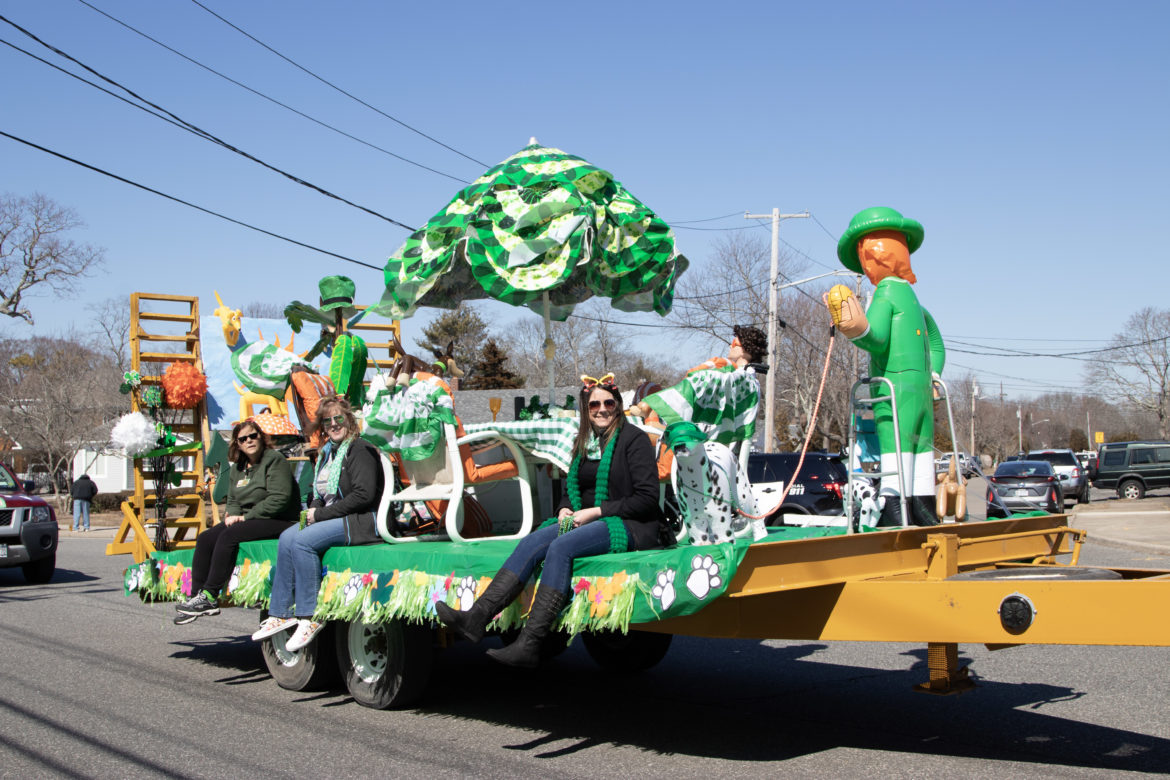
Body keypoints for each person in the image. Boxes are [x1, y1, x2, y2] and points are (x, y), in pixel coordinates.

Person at [436, 373, 666, 668]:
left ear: (619, 405)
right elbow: (575, 489)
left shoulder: (634, 439)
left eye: (609, 402)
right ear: (586, 409)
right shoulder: (585, 442)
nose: (602, 409)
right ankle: (477, 618)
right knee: (533, 540)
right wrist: (565, 509)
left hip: (630, 524)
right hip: (590, 520)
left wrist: (597, 511)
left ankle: (531, 642)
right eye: (594, 404)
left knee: (561, 547)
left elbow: (646, 499)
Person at [825, 206, 945, 526]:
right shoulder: (901, 297)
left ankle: (908, 506)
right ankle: (909, 507)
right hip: (907, 388)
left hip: (905, 389)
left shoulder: (893, 295)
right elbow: (917, 338)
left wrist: (856, 328)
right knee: (911, 446)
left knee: (907, 447)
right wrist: (934, 376)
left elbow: (897, 339)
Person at [251, 397, 384, 650]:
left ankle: (309, 616)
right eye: (327, 421)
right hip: (332, 515)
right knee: (287, 537)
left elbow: (363, 495)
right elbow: (319, 493)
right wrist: (313, 509)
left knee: (302, 542)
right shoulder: (326, 453)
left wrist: (319, 516)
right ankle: (279, 613)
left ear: (349, 420)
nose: (334, 425)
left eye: (338, 419)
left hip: (361, 520)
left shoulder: (360, 449)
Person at [175, 419, 301, 624]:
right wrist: (232, 515)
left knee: (229, 536)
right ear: (237, 444)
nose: (249, 441)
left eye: (253, 436)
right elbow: (233, 499)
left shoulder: (274, 460)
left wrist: (245, 517)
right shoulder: (238, 469)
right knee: (206, 538)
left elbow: (280, 499)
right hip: (250, 519)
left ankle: (210, 594)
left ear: (261, 437)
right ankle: (196, 597)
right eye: (243, 439)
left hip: (280, 519)